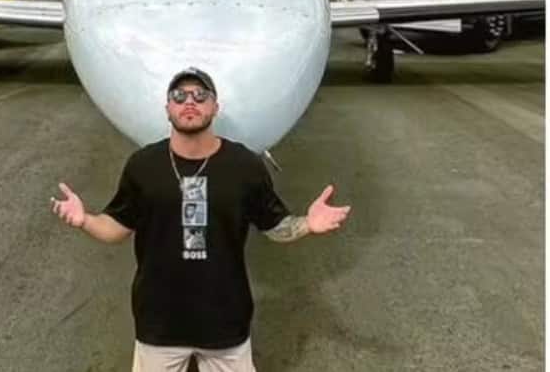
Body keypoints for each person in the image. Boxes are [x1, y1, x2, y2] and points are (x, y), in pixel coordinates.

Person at [49, 67, 350, 371]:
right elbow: (117, 227)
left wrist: (307, 225)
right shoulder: (143, 166)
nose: (189, 101)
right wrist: (85, 219)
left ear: (215, 107)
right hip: (159, 324)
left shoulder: (244, 166)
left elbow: (275, 227)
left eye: (200, 95)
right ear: (168, 108)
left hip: (226, 323)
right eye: (179, 96)